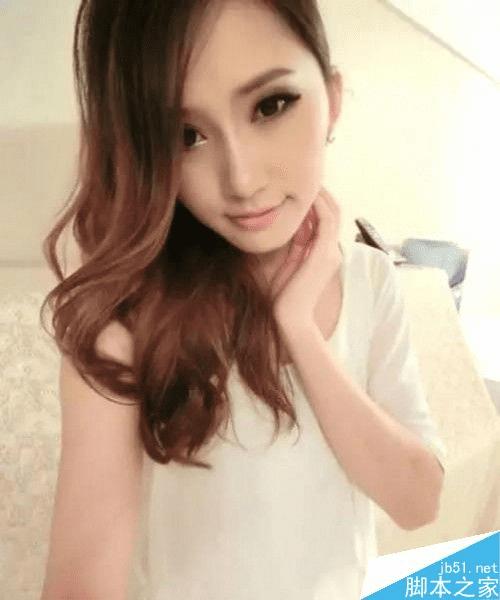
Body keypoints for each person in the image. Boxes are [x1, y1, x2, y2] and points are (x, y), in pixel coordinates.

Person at [40, 1, 447, 599]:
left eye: (271, 105)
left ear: (332, 98)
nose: (242, 180)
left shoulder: (371, 278)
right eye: (186, 136)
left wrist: (299, 330)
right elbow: (83, 581)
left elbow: (417, 501)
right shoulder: (125, 311)